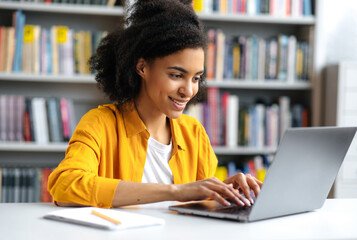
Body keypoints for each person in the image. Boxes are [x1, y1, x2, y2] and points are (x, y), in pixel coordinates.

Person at [48, 0, 262, 209]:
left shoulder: (194, 133)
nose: (188, 91)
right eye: (177, 75)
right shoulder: (100, 124)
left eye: (196, 78)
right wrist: (175, 191)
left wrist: (223, 193)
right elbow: (65, 186)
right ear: (142, 68)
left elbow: (197, 208)